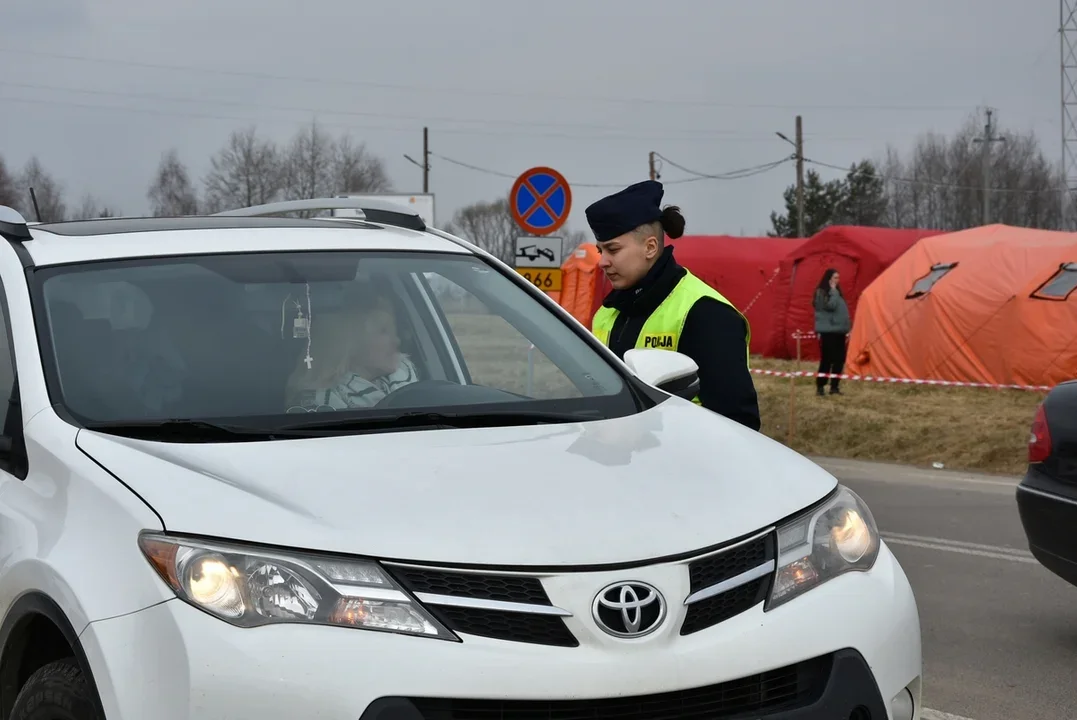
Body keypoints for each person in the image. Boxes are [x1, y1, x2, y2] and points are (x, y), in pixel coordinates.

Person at [585, 180, 761, 431]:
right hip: (619, 462)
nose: (602, 261)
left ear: (650, 247)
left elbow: (738, 424)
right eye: (600, 250)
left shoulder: (706, 312)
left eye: (613, 250)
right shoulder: (607, 314)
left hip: (684, 464)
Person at [285, 282, 419, 411]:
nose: (397, 340)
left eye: (393, 330)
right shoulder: (322, 402)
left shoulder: (406, 372)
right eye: (383, 331)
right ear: (352, 340)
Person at [812, 268, 851, 397]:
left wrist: (846, 328)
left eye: (838, 278)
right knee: (827, 360)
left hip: (839, 331)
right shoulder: (821, 293)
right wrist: (833, 291)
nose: (837, 281)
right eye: (835, 278)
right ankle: (821, 386)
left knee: (839, 360)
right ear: (828, 279)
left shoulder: (837, 293)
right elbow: (831, 306)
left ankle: (834, 386)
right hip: (828, 332)